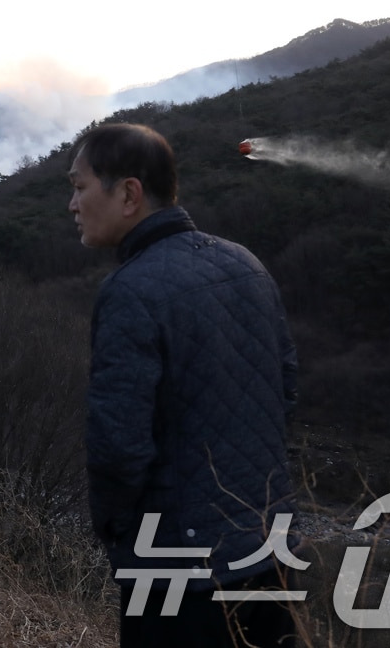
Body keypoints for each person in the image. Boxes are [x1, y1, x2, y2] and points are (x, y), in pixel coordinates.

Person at [67, 123, 300, 647]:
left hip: (178, 564)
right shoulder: (246, 263)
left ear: (129, 194)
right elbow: (285, 388)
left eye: (80, 187)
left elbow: (118, 446)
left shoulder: (130, 291)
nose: (72, 204)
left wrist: (115, 530)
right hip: (270, 549)